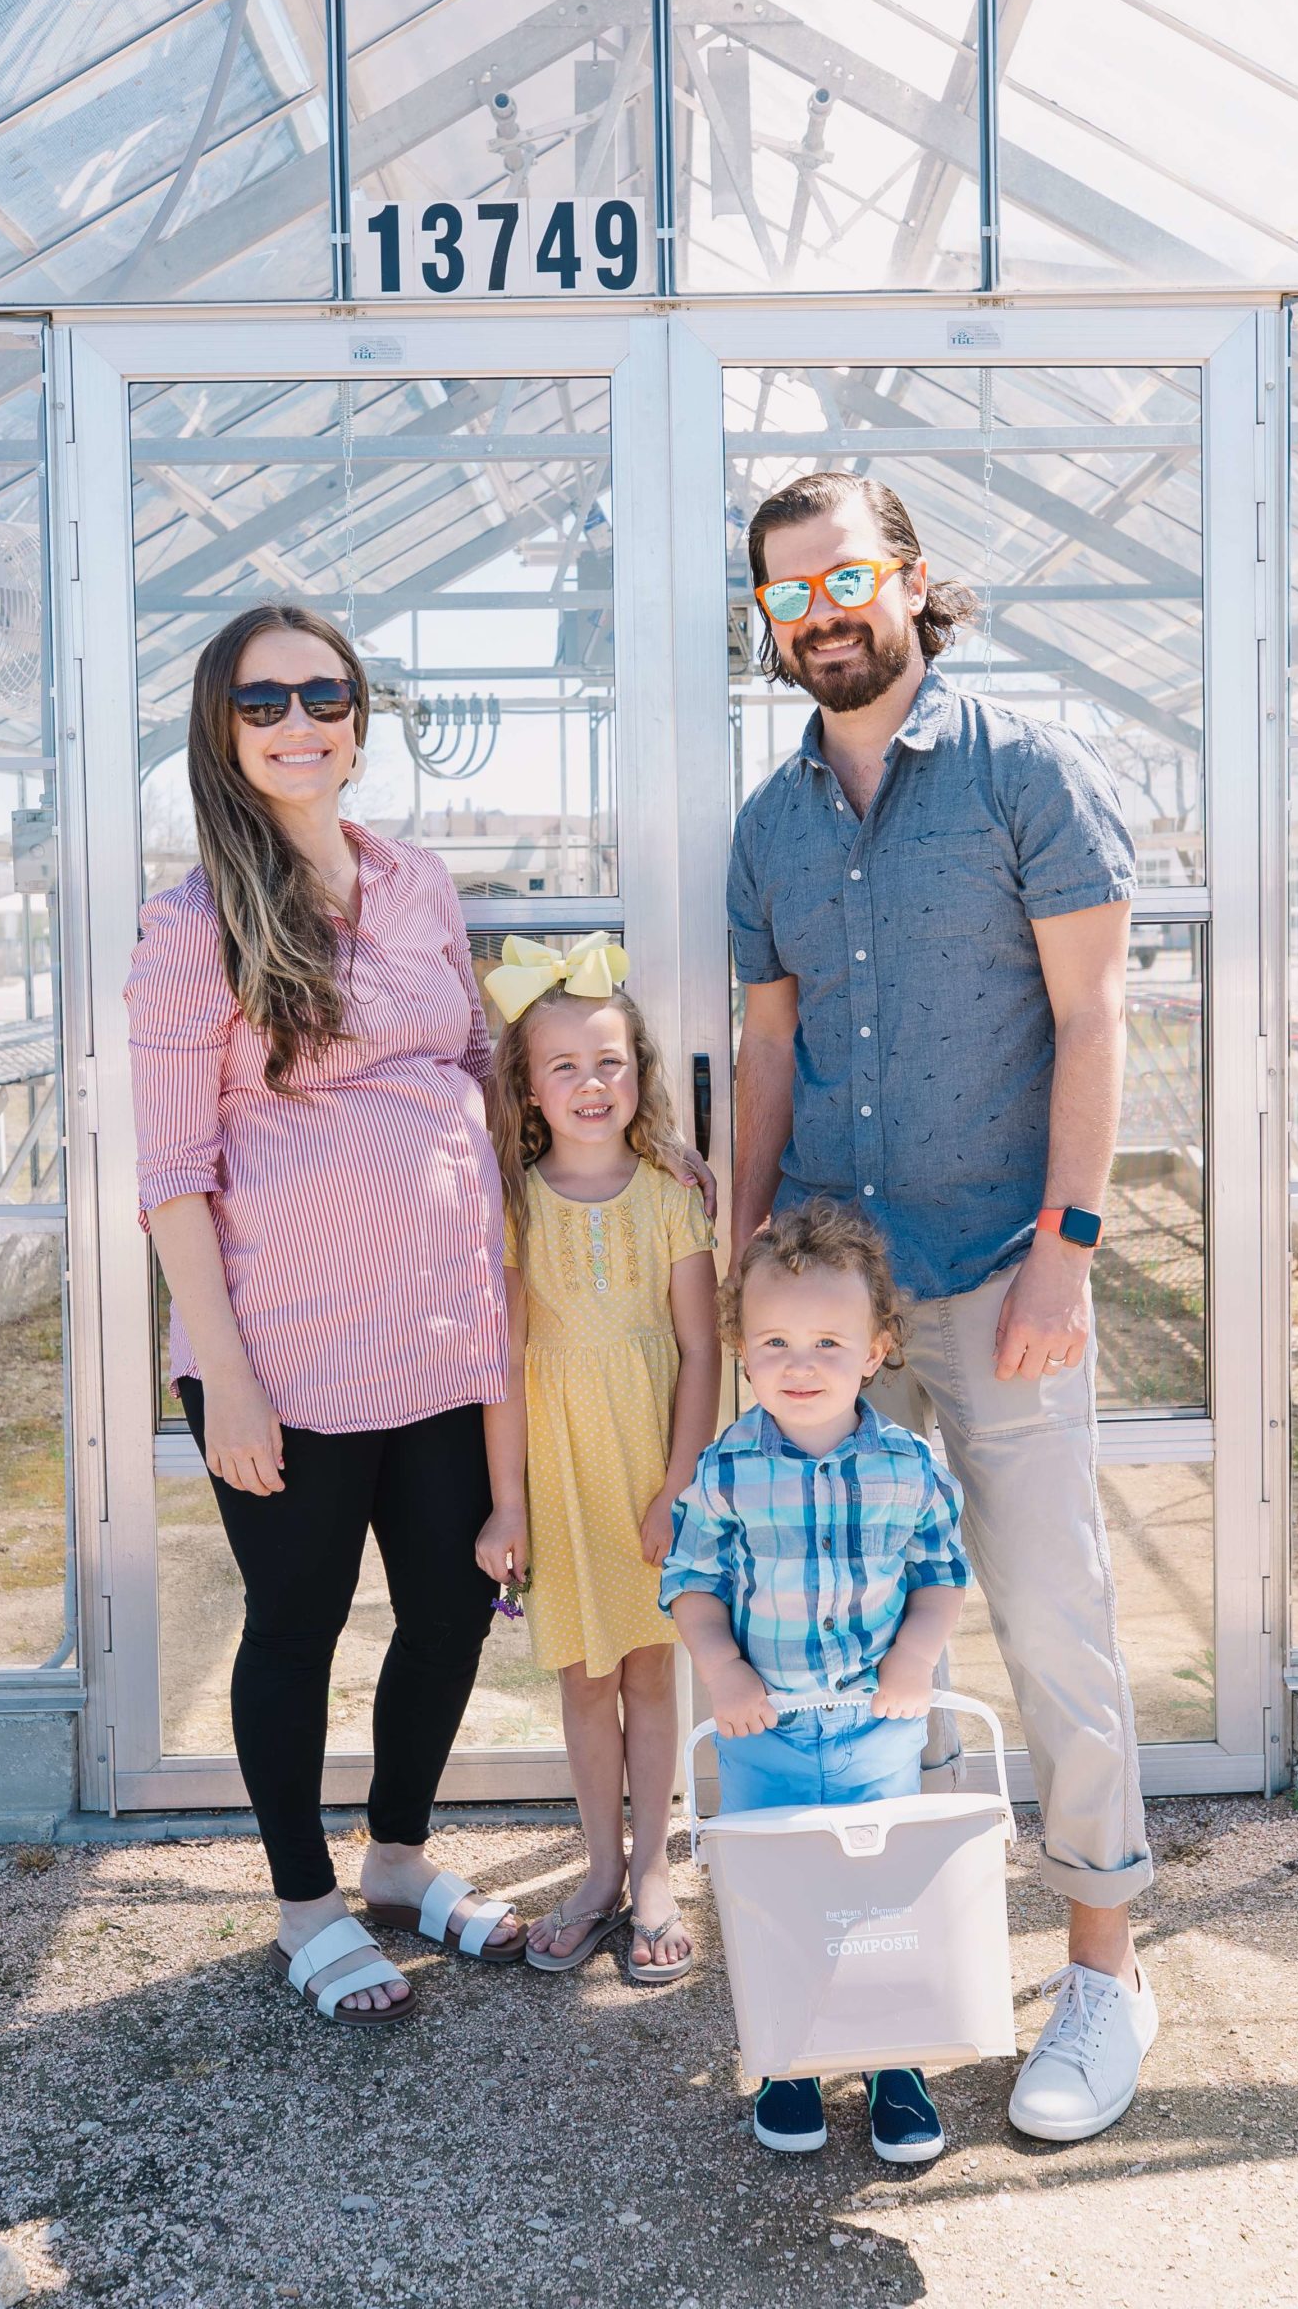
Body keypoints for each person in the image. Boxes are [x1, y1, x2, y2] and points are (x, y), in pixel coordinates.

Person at [727, 471, 1159, 2141]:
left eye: (843, 578)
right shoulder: (767, 825)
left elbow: (1096, 1016)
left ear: (908, 581)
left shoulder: (1021, 771)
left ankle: (1104, 1967)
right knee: (835, 1637)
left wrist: (1065, 1245)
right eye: (788, 595)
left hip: (997, 1277)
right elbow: (767, 1056)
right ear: (768, 625)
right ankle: (875, 1968)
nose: (820, 612)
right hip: (834, 1309)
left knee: (1049, 1617)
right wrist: (748, 1265)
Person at [124, 601, 529, 2026]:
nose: (301, 721)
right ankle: (304, 1905)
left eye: (326, 693)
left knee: (452, 1609)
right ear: (220, 731)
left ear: (360, 716)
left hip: (442, 1332)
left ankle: (401, 1860)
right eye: (264, 700)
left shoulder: (416, 881)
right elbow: (173, 1175)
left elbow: (476, 1058)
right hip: (282, 1356)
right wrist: (225, 1381)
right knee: (295, 1621)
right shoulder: (190, 926)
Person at [663, 1201, 971, 2162]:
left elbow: (941, 1579)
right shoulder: (725, 1472)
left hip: (877, 1727)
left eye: (829, 1341)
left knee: (885, 1897)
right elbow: (693, 1584)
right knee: (779, 1892)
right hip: (765, 1733)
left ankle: (895, 2062)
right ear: (744, 1353)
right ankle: (789, 2056)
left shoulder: (908, 1468)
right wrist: (722, 1670)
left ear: (877, 1349)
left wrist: (915, 1661)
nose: (802, 1363)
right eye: (776, 1342)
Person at [474, 936, 720, 1982]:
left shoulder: (669, 1195)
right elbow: (506, 1361)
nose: (588, 1083)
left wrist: (678, 1486)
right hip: (563, 1477)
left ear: (640, 1075)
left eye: (609, 1062)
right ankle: (598, 1870)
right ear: (528, 1088)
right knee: (584, 1679)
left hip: (647, 1476)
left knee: (652, 1671)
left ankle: (658, 1867)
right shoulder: (512, 1204)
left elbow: (705, 1348)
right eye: (563, 1065)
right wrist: (504, 1504)